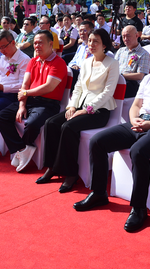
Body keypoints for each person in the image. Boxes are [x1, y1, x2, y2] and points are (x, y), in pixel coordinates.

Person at [73, 38, 150, 233]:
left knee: (138, 152)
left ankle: (138, 208)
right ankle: (98, 192)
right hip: (139, 123)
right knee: (98, 141)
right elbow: (136, 105)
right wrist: (134, 119)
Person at [38, 29, 119, 193]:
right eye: (89, 41)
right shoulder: (87, 62)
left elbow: (107, 92)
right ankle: (52, 166)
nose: (91, 44)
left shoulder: (112, 63)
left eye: (96, 41)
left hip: (99, 111)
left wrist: (88, 109)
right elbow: (78, 88)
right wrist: (72, 106)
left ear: (104, 44)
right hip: (80, 107)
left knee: (68, 127)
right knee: (51, 123)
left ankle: (70, 173)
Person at [0, 30, 68, 170]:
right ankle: (21, 150)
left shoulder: (59, 63)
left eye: (40, 43)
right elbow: (24, 85)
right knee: (1, 117)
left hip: (48, 104)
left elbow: (48, 87)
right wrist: (22, 105)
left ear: (50, 44)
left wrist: (25, 93)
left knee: (31, 124)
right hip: (30, 99)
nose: (37, 46)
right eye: (35, 43)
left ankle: (22, 150)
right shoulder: (33, 61)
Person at [115, 25, 150, 98]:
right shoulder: (120, 51)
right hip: (116, 81)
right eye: (123, 36)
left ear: (137, 35)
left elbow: (140, 75)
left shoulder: (143, 54)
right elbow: (113, 67)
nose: (125, 39)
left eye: (128, 36)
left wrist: (121, 76)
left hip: (131, 85)